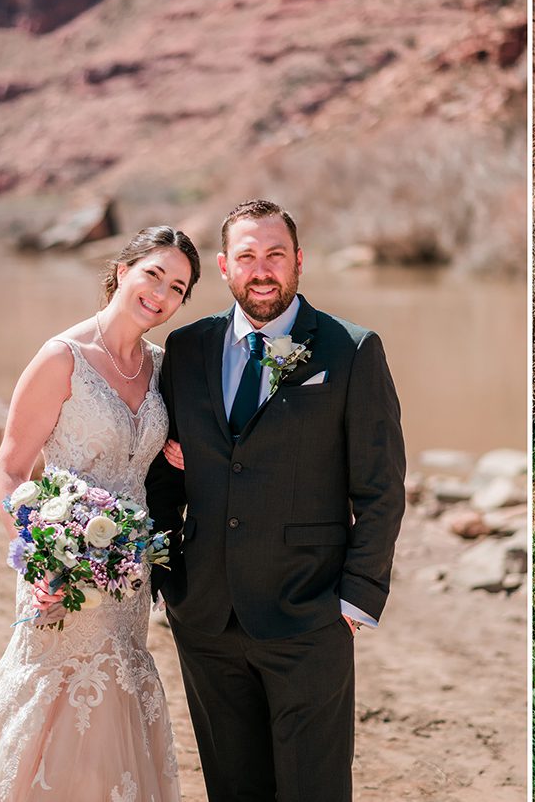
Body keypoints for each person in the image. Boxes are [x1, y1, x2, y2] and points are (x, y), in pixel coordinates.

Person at [146, 199, 406, 802]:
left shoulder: (351, 349)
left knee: (313, 788)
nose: (262, 270)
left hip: (310, 612)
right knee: (232, 787)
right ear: (224, 267)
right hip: (205, 614)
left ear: (298, 261)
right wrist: (167, 577)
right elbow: (161, 473)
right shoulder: (185, 350)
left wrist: (357, 598)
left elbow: (381, 486)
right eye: (247, 257)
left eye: (275, 255)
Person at [0, 226, 201, 800]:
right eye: (153, 273)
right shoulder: (62, 357)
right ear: (123, 269)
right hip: (61, 569)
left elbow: (151, 454)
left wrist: (179, 451)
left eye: (177, 287)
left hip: (129, 574)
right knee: (45, 704)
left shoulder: (160, 367)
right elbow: (11, 467)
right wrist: (37, 562)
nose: (161, 293)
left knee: (114, 704)